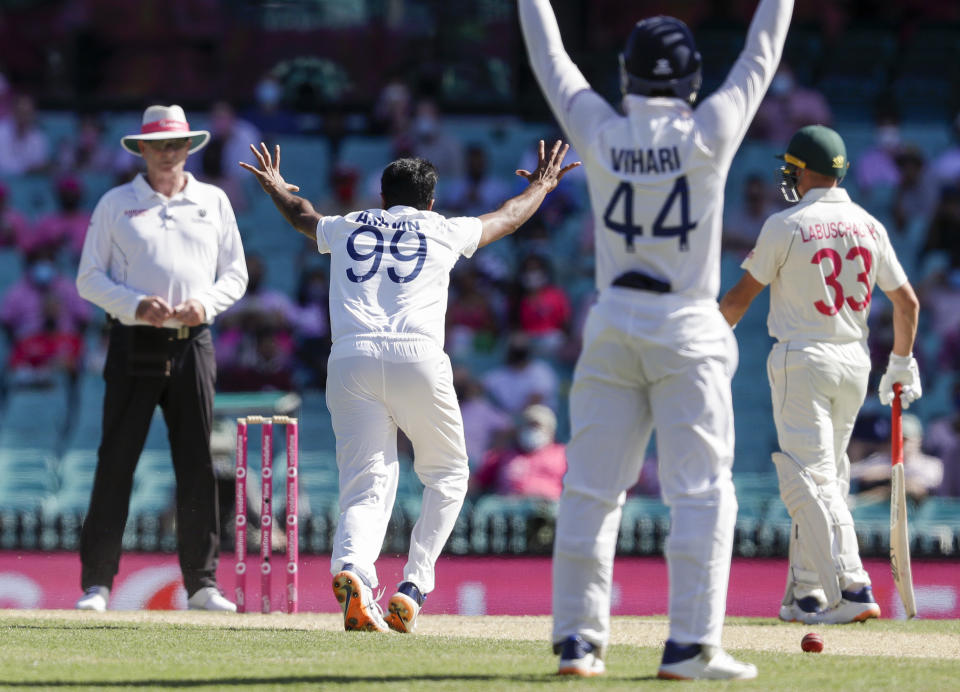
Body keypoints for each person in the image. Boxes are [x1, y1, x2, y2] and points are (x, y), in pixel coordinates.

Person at [519, 0, 792, 680]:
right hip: (687, 323)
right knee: (700, 492)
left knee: (589, 490)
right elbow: (761, 51)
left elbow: (551, 60)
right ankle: (691, 646)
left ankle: (578, 645)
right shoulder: (710, 129)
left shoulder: (602, 132)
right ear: (691, 79)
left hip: (613, 318)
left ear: (626, 76)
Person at [240, 138, 578, 633]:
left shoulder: (350, 224)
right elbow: (506, 217)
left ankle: (353, 569)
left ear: (381, 198)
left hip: (351, 357)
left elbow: (301, 214)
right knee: (448, 475)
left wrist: (273, 185)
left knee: (367, 480)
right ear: (431, 202)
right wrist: (544, 186)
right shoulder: (441, 229)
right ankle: (414, 585)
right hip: (415, 356)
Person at [719, 125, 921, 627]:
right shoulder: (871, 225)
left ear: (806, 170)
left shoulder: (785, 223)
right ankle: (806, 592)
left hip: (802, 358)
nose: (789, 178)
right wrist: (900, 362)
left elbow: (740, 298)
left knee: (808, 479)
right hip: (854, 361)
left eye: (792, 169)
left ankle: (853, 585)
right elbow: (907, 303)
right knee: (827, 477)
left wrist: (701, 343)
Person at [73, 104, 248, 613]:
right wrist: (135, 305)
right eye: (159, 144)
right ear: (141, 148)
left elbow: (234, 275)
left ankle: (201, 586)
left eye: (177, 144)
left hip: (194, 340)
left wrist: (205, 305)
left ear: (189, 147)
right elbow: (89, 277)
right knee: (116, 463)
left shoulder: (213, 201)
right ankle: (98, 585)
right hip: (134, 342)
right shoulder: (115, 203)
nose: (169, 153)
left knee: (197, 464)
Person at [471, 403, 567, 500]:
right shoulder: (502, 455)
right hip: (507, 509)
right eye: (528, 426)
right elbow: (476, 484)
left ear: (550, 431)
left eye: (537, 427)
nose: (532, 431)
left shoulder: (564, 455)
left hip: (548, 509)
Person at [850, 413, 944, 505]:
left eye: (905, 439)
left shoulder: (931, 464)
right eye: (896, 438)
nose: (900, 443)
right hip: (879, 516)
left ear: (919, 440)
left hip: (922, 517)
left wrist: (887, 475)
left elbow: (918, 487)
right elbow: (853, 472)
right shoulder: (880, 459)